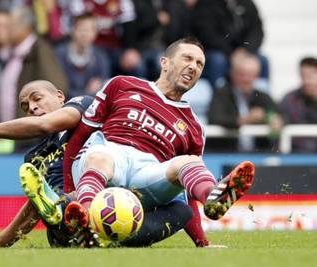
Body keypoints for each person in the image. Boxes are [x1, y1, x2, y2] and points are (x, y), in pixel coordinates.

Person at [0, 80, 194, 248]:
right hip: (70, 218)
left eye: (37, 99)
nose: (32, 108)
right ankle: (67, 213)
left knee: (182, 210)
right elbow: (32, 212)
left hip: (115, 199)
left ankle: (108, 234)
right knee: (59, 203)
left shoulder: (85, 108)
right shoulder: (34, 156)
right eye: (26, 107)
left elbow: (45, 125)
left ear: (59, 97)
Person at [62, 37, 255, 237]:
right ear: (165, 62)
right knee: (101, 159)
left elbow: (186, 194)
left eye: (199, 64)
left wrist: (201, 242)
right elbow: (80, 135)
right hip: (109, 154)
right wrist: (68, 187)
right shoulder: (122, 84)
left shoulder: (194, 126)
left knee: (189, 162)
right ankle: (84, 216)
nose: (193, 67)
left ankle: (213, 198)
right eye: (187, 58)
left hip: (146, 175)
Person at [0, 5, 68, 123]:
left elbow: (57, 86)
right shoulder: (13, 52)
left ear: (25, 27)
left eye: (10, 26)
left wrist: (41, 122)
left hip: (33, 132)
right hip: (17, 131)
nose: (6, 30)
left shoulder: (40, 50)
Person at [207, 53, 283, 152]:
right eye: (242, 75)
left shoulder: (262, 96)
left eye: (251, 75)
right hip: (227, 154)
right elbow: (216, 118)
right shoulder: (222, 94)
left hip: (257, 156)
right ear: (233, 74)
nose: (246, 79)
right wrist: (246, 120)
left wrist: (276, 119)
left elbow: (282, 114)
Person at [190, 0, 268, 88]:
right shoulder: (206, 4)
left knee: (263, 60)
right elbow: (206, 34)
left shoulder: (247, 3)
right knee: (218, 60)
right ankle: (219, 94)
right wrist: (231, 53)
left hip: (242, 51)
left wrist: (245, 49)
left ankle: (261, 97)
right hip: (216, 51)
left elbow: (257, 31)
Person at [55, 13, 111, 98]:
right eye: (81, 29)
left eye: (90, 30)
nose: (85, 34)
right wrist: (87, 93)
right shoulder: (59, 54)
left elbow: (104, 87)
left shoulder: (100, 56)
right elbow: (58, 88)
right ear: (72, 30)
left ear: (95, 33)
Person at [279, 57, 317, 153]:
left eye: (311, 75)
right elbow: (280, 119)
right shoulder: (289, 100)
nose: (307, 80)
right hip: (296, 158)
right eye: (303, 75)